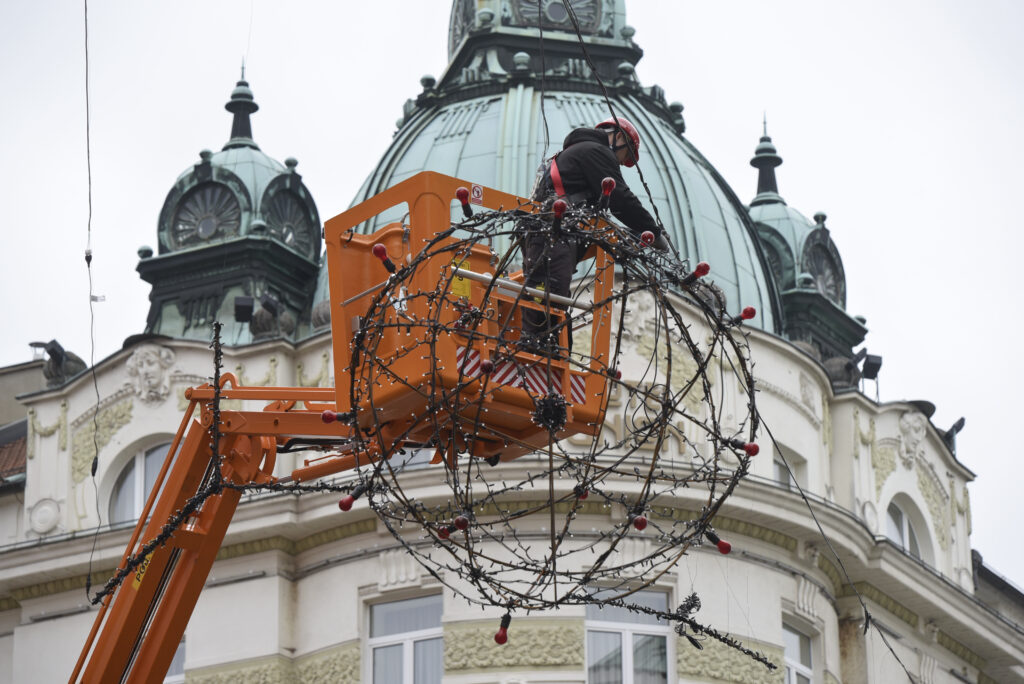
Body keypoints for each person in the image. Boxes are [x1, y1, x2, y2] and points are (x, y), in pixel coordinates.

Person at [520, 117, 667, 350]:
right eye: (626, 155)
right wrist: (653, 231)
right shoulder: (596, 151)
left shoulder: (575, 153)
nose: (623, 161)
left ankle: (546, 347)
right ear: (619, 137)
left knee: (552, 294)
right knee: (552, 294)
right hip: (555, 232)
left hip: (550, 231)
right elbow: (620, 197)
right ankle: (537, 350)